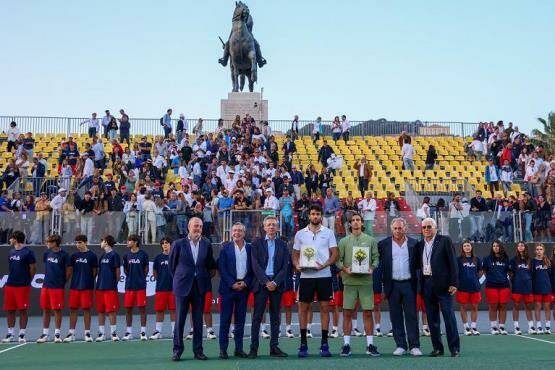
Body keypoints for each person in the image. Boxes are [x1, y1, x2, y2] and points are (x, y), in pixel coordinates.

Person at [292, 204, 338, 358]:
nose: (315, 216)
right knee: (303, 308)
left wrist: (324, 265)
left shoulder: (329, 233)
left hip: (324, 275)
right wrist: (298, 266)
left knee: (325, 308)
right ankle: (303, 344)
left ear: (321, 216)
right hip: (306, 277)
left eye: (318, 214)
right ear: (309, 215)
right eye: (313, 214)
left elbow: (334, 254)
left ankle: (324, 343)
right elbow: (295, 255)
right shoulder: (300, 234)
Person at [170, 217, 216, 362]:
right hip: (182, 287)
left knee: (197, 320)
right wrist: (181, 278)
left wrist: (203, 277)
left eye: (200, 226)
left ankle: (198, 351)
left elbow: (209, 264)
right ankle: (177, 351)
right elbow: (172, 266)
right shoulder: (178, 244)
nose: (198, 229)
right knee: (180, 321)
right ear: (189, 227)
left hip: (199, 287)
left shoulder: (207, 244)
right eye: (196, 226)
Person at [337, 213, 381, 357]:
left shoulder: (371, 240)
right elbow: (338, 261)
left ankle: (369, 345)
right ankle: (346, 345)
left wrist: (372, 268)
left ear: (362, 223)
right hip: (349, 282)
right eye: (353, 221)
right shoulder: (343, 242)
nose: (355, 223)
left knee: (368, 312)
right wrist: (345, 269)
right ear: (349, 224)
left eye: (358, 220)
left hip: (366, 282)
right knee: (347, 313)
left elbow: (376, 259)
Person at [416, 218, 460, 357]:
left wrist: (454, 283)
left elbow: (453, 263)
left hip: (444, 285)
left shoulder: (444, 240)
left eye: (429, 226)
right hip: (427, 284)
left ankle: (454, 348)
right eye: (424, 227)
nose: (426, 229)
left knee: (449, 317)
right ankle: (438, 348)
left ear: (435, 228)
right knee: (432, 319)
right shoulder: (419, 244)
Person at [377, 218, 421, 356]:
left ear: (405, 228)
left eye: (400, 228)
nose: (397, 231)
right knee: (395, 317)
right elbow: (379, 266)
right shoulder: (383, 244)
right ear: (391, 229)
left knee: (412, 316)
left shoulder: (415, 244)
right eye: (395, 228)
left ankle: (414, 346)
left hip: (409, 284)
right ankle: (400, 345)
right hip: (392, 285)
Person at [249, 216, 289, 358]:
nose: (271, 227)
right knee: (257, 317)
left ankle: (274, 347)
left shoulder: (283, 245)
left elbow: (285, 267)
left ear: (277, 228)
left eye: (274, 225)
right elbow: (255, 265)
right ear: (264, 227)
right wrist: (266, 281)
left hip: (276, 285)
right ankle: (253, 349)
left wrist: (275, 282)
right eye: (269, 225)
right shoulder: (256, 243)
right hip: (261, 284)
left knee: (275, 318)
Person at [218, 223, 252, 359]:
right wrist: (232, 284)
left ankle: (239, 349)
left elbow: (252, 269)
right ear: (231, 232)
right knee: (225, 320)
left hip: (243, 288)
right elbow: (222, 268)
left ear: (244, 233)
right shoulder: (225, 248)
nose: (236, 233)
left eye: (239, 230)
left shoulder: (250, 248)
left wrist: (245, 282)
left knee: (240, 320)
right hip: (228, 288)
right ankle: (223, 350)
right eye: (234, 230)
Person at [2, 231, 36, 344]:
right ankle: (10, 334)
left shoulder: (28, 252)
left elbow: (33, 269)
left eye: (11, 238)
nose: (10, 240)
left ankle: (22, 334)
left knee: (22, 310)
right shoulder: (11, 251)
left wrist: (27, 281)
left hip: (22, 286)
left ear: (15, 239)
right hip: (10, 284)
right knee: (10, 310)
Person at [64, 234, 98, 343]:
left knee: (86, 310)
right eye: (76, 242)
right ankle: (71, 333)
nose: (77, 245)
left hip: (87, 287)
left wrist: (88, 280)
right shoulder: (74, 256)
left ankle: (87, 333)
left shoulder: (92, 256)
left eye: (80, 242)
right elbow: (69, 270)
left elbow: (94, 271)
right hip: (74, 286)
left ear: (85, 243)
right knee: (73, 309)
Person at [37, 234, 70, 343]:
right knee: (46, 309)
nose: (47, 243)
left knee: (57, 310)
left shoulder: (64, 255)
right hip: (46, 286)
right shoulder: (46, 253)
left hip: (57, 287)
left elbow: (68, 271)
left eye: (49, 242)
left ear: (55, 243)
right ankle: (45, 334)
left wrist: (61, 282)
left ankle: (57, 334)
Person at [122, 234, 149, 341]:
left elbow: (146, 269)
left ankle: (143, 332)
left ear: (135, 242)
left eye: (129, 241)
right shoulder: (126, 255)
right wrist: (131, 277)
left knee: (142, 309)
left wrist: (141, 278)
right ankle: (128, 332)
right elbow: (125, 269)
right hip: (129, 286)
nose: (128, 242)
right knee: (128, 309)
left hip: (140, 286)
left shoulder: (143, 254)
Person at [95, 235, 121, 342]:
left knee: (111, 311)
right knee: (101, 311)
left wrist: (113, 283)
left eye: (102, 241)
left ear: (106, 242)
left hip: (110, 288)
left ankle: (113, 333)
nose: (100, 243)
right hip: (100, 288)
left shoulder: (114, 255)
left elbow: (117, 272)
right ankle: (101, 333)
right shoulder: (102, 256)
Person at [149, 238, 176, 340]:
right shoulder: (158, 258)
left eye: (167, 243)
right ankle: (158, 331)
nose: (164, 245)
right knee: (160, 310)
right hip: (161, 288)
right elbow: (155, 272)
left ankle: (175, 331)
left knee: (173, 310)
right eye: (163, 243)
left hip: (173, 288)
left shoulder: (175, 257)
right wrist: (160, 281)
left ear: (170, 245)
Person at [482, 240, 510, 335]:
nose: (495, 247)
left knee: (503, 306)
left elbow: (508, 272)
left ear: (500, 247)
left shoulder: (506, 259)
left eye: (497, 246)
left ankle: (502, 327)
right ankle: (493, 327)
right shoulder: (487, 259)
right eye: (494, 246)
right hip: (491, 286)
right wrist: (492, 278)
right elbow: (484, 271)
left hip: (504, 286)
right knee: (493, 306)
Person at [456, 240, 483, 336]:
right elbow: (456, 272)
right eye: (465, 246)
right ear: (462, 248)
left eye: (468, 246)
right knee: (463, 306)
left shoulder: (477, 259)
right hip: (462, 287)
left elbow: (481, 272)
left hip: (475, 287)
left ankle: (474, 327)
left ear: (471, 247)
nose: (467, 247)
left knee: (475, 307)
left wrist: (476, 281)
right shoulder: (458, 259)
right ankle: (466, 327)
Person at [509, 241, 534, 335]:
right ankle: (516, 327)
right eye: (519, 246)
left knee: (528, 305)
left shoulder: (530, 260)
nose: (520, 247)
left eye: (522, 245)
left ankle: (531, 326)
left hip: (528, 286)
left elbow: (532, 273)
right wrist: (514, 280)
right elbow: (510, 272)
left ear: (525, 247)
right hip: (517, 286)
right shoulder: (513, 260)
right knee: (516, 305)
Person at [531, 244, 552, 334]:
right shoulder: (532, 262)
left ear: (543, 251)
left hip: (547, 288)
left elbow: (550, 275)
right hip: (537, 288)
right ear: (535, 251)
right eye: (537, 249)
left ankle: (547, 326)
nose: (539, 251)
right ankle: (539, 327)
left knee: (547, 307)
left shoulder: (548, 261)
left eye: (541, 249)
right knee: (538, 307)